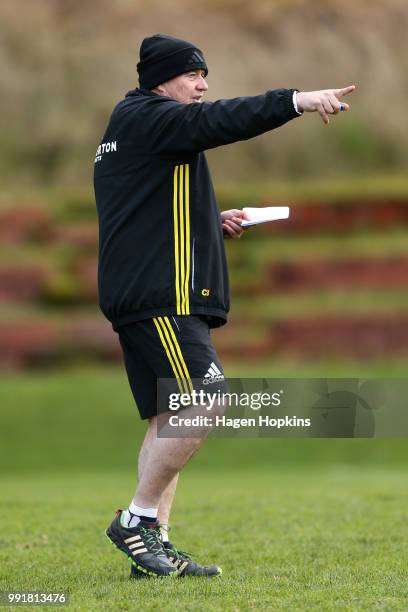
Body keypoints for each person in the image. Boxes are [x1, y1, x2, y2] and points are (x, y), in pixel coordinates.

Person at [93, 33, 355, 579]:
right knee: (208, 398)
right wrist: (298, 100)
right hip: (161, 297)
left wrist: (209, 225)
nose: (203, 85)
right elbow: (222, 120)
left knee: (171, 418)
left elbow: (140, 215)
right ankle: (138, 521)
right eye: (194, 75)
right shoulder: (150, 116)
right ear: (163, 78)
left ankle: (153, 550)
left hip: (150, 291)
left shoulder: (136, 127)